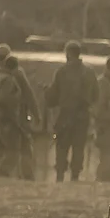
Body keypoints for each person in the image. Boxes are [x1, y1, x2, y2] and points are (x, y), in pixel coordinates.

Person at [0, 44, 37, 176]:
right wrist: (36, 114)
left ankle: (1, 177)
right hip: (17, 119)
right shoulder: (17, 74)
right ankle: (24, 177)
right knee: (23, 150)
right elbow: (29, 95)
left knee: (1, 151)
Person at [44, 41, 98, 181]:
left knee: (62, 146)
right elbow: (96, 95)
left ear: (68, 53)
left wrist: (45, 92)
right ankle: (75, 176)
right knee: (78, 146)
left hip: (65, 115)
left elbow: (53, 97)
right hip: (83, 115)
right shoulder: (90, 72)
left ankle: (60, 175)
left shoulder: (62, 72)